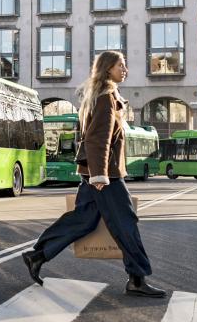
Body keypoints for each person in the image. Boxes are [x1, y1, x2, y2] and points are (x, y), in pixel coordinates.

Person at [21, 51, 165, 298]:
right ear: (108, 68)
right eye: (121, 65)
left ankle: (37, 255)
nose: (125, 69)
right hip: (104, 175)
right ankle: (137, 279)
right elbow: (99, 139)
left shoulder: (102, 96)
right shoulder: (107, 98)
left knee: (83, 220)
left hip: (96, 173)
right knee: (126, 223)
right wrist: (100, 175)